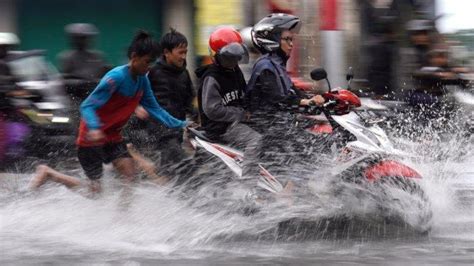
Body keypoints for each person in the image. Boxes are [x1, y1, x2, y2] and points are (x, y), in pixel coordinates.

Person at [30, 30, 187, 192]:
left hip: (113, 136)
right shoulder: (115, 78)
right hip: (91, 137)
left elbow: (155, 109)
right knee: (95, 191)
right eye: (147, 62)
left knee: (130, 177)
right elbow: (87, 106)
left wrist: (182, 123)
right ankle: (49, 173)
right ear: (134, 57)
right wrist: (95, 128)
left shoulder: (142, 80)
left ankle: (123, 215)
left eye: (151, 63)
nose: (148, 68)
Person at [195, 27, 261, 179]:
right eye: (228, 57)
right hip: (221, 127)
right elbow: (212, 110)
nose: (233, 61)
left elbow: (242, 96)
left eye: (236, 57)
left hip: (233, 123)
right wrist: (241, 114)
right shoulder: (212, 77)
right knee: (255, 140)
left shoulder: (234, 71)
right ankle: (249, 185)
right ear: (216, 56)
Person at [246, 13, 325, 129]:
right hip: (266, 127)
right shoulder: (265, 66)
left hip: (280, 123)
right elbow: (277, 99)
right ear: (273, 40)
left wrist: (315, 99)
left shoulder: (277, 65)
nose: (291, 44)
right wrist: (306, 102)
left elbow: (292, 91)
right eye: (287, 39)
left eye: (292, 39)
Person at [144, 28, 196, 170]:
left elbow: (188, 102)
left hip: (176, 132)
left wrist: (196, 118)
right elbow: (138, 96)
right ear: (166, 53)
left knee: (171, 172)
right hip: (160, 133)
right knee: (187, 167)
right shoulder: (153, 72)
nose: (184, 57)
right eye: (180, 52)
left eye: (185, 52)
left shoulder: (184, 74)